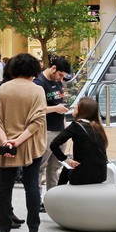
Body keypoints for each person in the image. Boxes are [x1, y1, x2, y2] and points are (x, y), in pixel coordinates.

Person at [0, 53, 47, 232]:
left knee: (4, 185)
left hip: (6, 144)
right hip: (30, 144)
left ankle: (4, 229)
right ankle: (33, 230)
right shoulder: (37, 90)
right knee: (31, 185)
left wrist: (7, 140)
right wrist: (19, 140)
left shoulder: (3, 89)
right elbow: (37, 121)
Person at [49, 97, 109, 185]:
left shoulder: (76, 126)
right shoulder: (98, 127)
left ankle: (58, 194)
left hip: (82, 177)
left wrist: (65, 159)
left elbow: (54, 144)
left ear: (82, 110)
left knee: (67, 166)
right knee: (70, 164)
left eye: (77, 105)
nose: (74, 106)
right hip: (101, 175)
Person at [35, 57, 71, 193]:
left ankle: (52, 196)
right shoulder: (39, 83)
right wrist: (55, 109)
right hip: (46, 130)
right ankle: (37, 199)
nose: (60, 79)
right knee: (41, 166)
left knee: (55, 166)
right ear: (53, 68)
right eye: (60, 75)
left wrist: (64, 126)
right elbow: (37, 109)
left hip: (60, 129)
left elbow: (59, 104)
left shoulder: (58, 82)